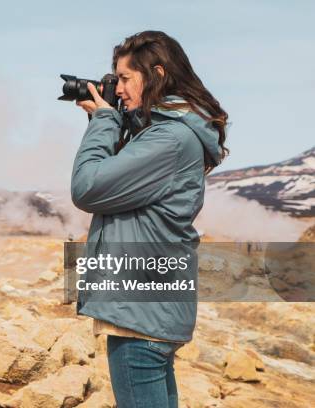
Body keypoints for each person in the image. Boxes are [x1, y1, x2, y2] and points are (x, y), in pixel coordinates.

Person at [71, 31, 228, 408]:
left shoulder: (169, 140)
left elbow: (88, 187)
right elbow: (117, 180)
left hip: (140, 318)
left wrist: (105, 123)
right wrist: (115, 121)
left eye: (125, 79)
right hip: (148, 311)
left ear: (156, 73)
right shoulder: (164, 134)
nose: (119, 88)